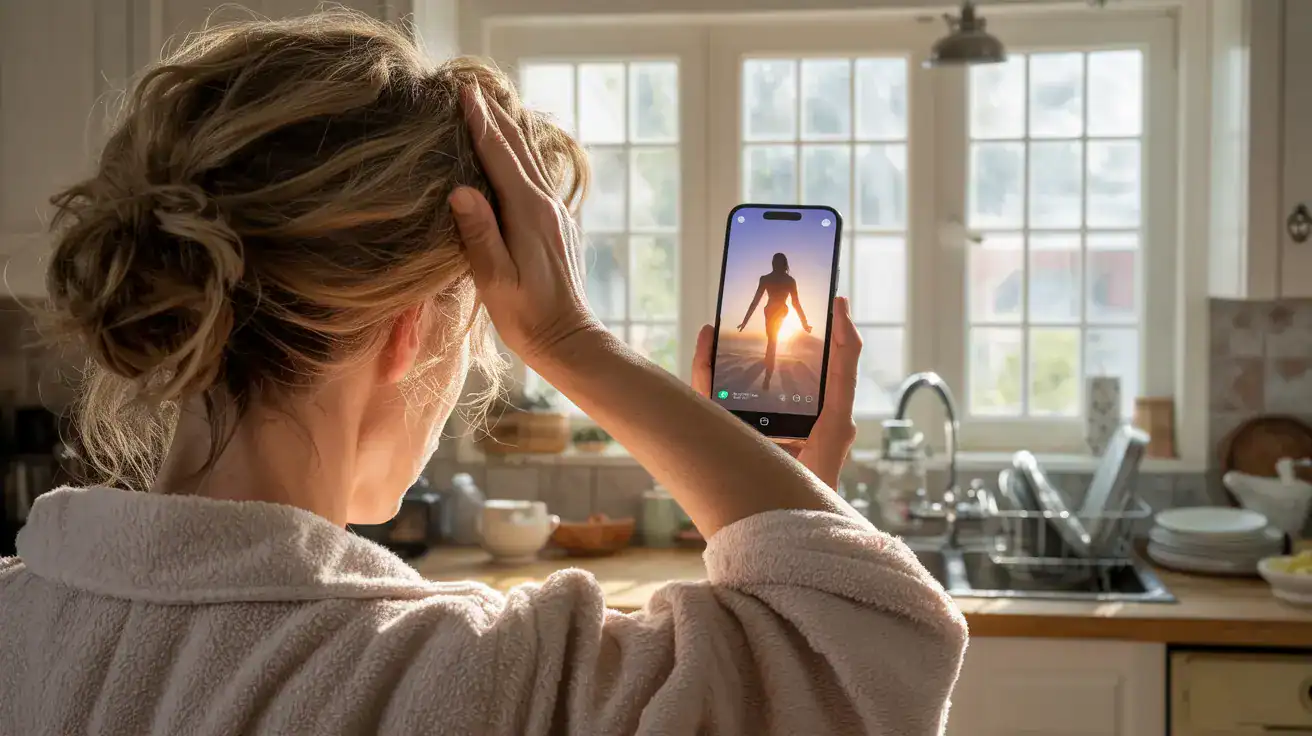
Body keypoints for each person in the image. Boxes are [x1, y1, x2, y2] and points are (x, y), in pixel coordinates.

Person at [0, 12, 966, 736]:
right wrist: (574, 342)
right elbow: (872, 647)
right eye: (485, 330)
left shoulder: (19, 616)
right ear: (411, 329)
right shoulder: (479, 678)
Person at [736, 252, 812, 391]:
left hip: (771, 310)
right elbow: (795, 303)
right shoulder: (789, 280)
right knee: (772, 339)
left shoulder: (766, 278)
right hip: (779, 310)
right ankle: (768, 366)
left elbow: (756, 301)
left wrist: (804, 323)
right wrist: (804, 323)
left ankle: (767, 376)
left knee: (772, 340)